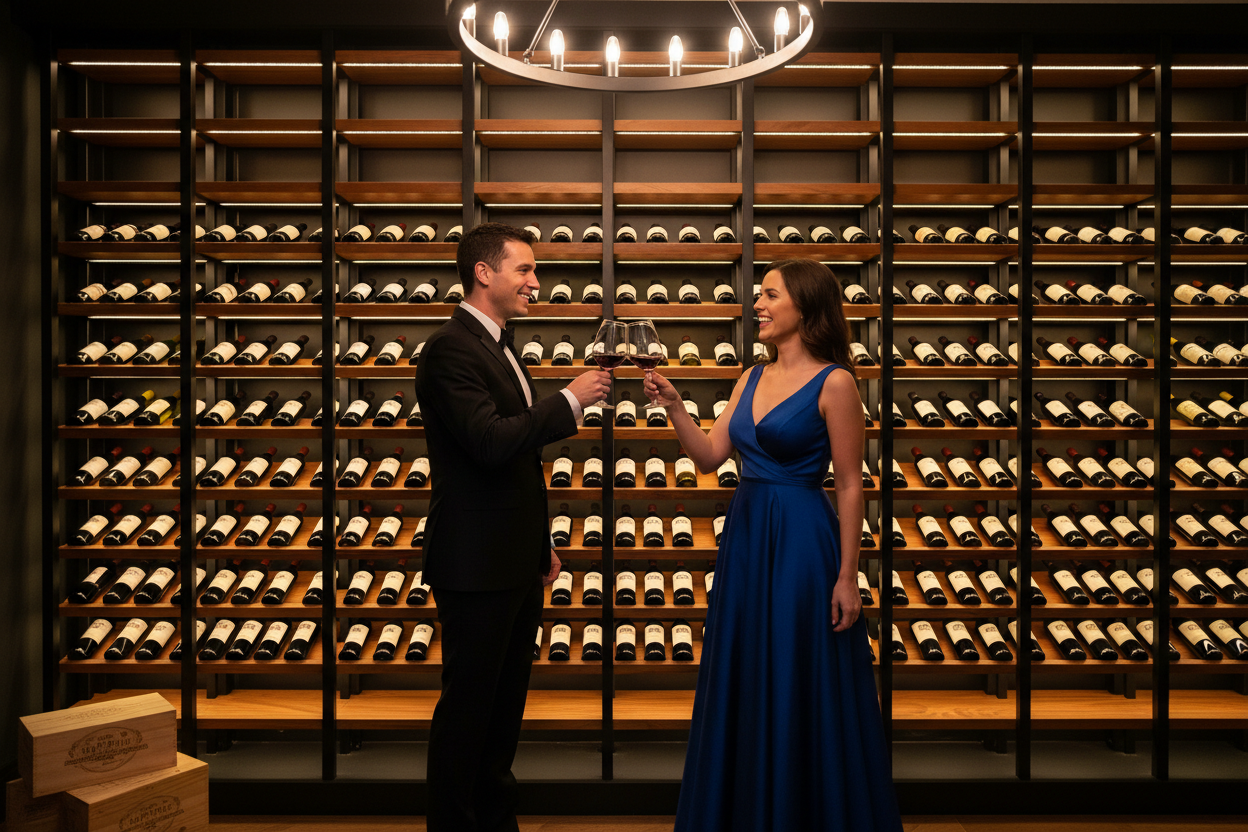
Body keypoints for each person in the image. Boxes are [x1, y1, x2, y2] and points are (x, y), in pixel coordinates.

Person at [645, 258, 903, 831]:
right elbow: (710, 458)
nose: (757, 305)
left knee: (796, 671)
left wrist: (846, 575)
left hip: (802, 542)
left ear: (806, 308)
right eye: (758, 295)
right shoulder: (749, 377)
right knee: (747, 669)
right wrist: (675, 406)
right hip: (747, 537)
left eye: (769, 295)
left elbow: (853, 485)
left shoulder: (835, 382)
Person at [415, 222, 611, 832]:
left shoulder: (501, 346)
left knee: (501, 714)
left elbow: (517, 467)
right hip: (474, 564)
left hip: (511, 559)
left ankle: (495, 822)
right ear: (483, 272)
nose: (535, 281)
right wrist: (571, 399)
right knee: (470, 712)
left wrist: (540, 543)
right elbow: (490, 444)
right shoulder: (451, 347)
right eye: (524, 269)